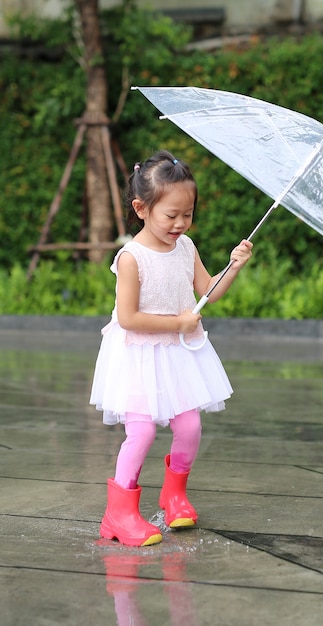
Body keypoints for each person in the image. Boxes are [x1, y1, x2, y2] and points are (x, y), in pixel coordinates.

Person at [90, 150, 253, 547]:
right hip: (138, 355)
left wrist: (232, 267)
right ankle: (119, 513)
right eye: (171, 215)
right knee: (141, 433)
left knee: (190, 426)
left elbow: (207, 293)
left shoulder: (185, 246)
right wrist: (178, 322)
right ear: (141, 209)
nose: (180, 223)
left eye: (188, 214)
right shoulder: (131, 258)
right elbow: (128, 317)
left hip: (177, 353)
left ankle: (174, 495)